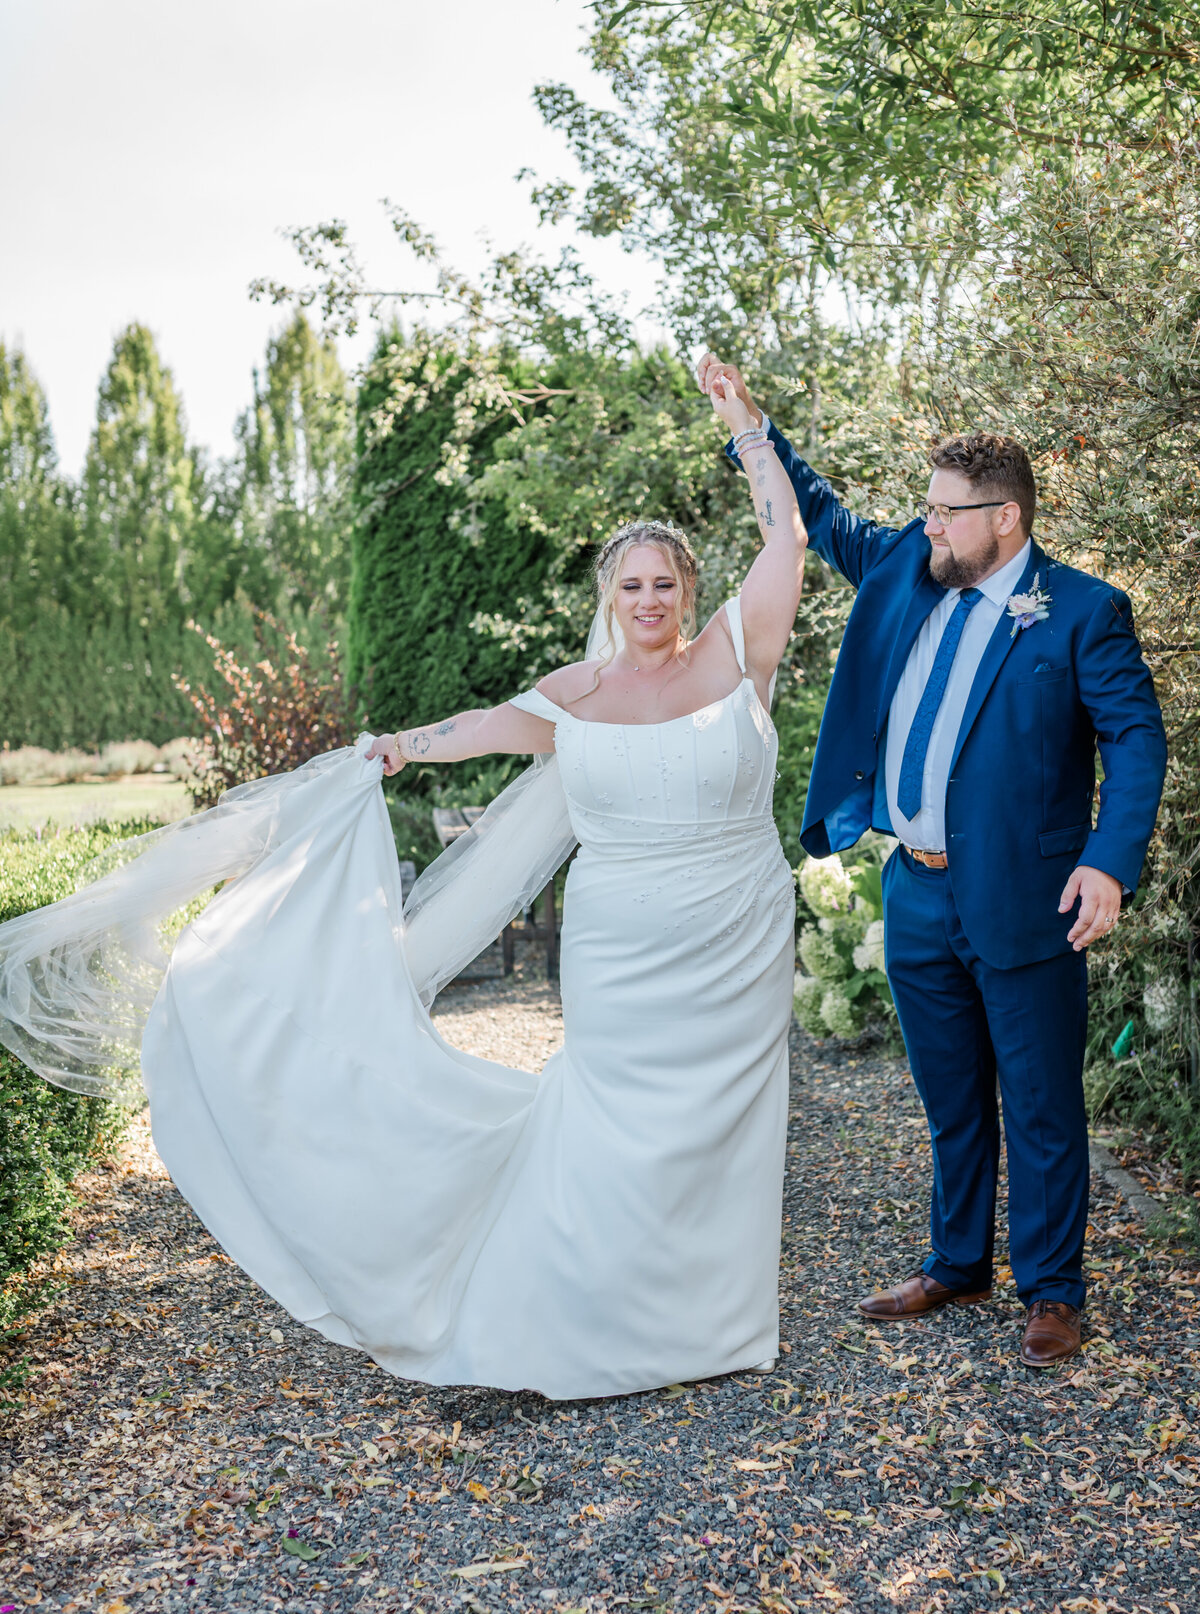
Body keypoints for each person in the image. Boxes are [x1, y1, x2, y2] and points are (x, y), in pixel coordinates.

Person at [0, 373, 806, 1401]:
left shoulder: (741, 655)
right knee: (611, 1116)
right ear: (609, 599)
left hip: (734, 932)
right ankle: (593, 1315)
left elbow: (785, 546)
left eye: (664, 584)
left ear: (690, 593)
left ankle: (712, 1323)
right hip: (621, 946)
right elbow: (472, 730)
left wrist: (748, 432)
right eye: (630, 586)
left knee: (725, 1125)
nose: (648, 601)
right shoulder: (576, 694)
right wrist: (389, 751)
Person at [696, 353, 1167, 1368]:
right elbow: (815, 514)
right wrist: (750, 420)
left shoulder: (1084, 611)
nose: (929, 525)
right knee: (951, 1095)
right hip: (914, 887)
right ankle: (959, 1260)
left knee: (1040, 1102)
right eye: (927, 508)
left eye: (949, 511)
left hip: (1029, 892)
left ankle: (1052, 1290)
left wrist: (1109, 861)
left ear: (1006, 517)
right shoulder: (911, 569)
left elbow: (1136, 739)